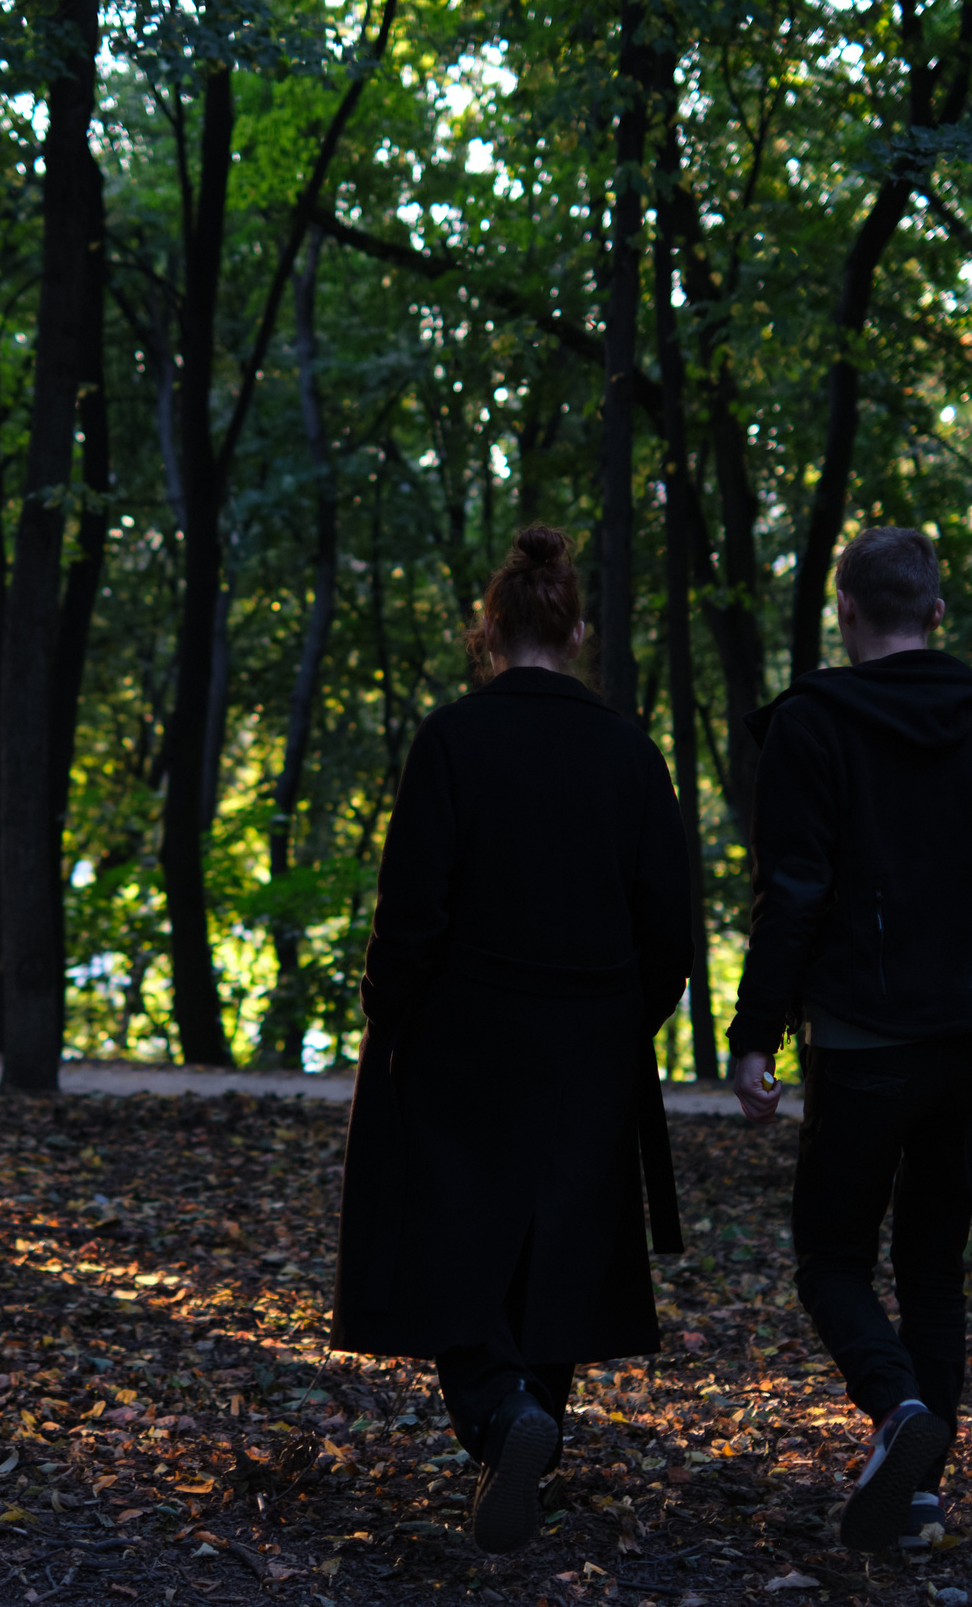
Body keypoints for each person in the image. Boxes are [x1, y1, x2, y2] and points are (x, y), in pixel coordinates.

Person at [723, 525, 972, 1553]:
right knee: (932, 1264)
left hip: (860, 1042)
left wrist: (756, 1039)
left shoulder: (809, 726)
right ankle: (920, 1495)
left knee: (829, 1257)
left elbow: (791, 892)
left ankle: (897, 1414)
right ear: (935, 615)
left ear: (845, 613)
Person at [330, 525, 693, 1558]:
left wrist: (389, 1012)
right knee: (560, 1247)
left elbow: (411, 909)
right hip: (589, 1036)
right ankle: (527, 1423)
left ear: (487, 631)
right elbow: (668, 922)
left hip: (463, 1034)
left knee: (452, 1239)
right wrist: (627, 1017)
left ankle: (499, 1414)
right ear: (575, 631)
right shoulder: (630, 752)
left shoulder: (450, 742)